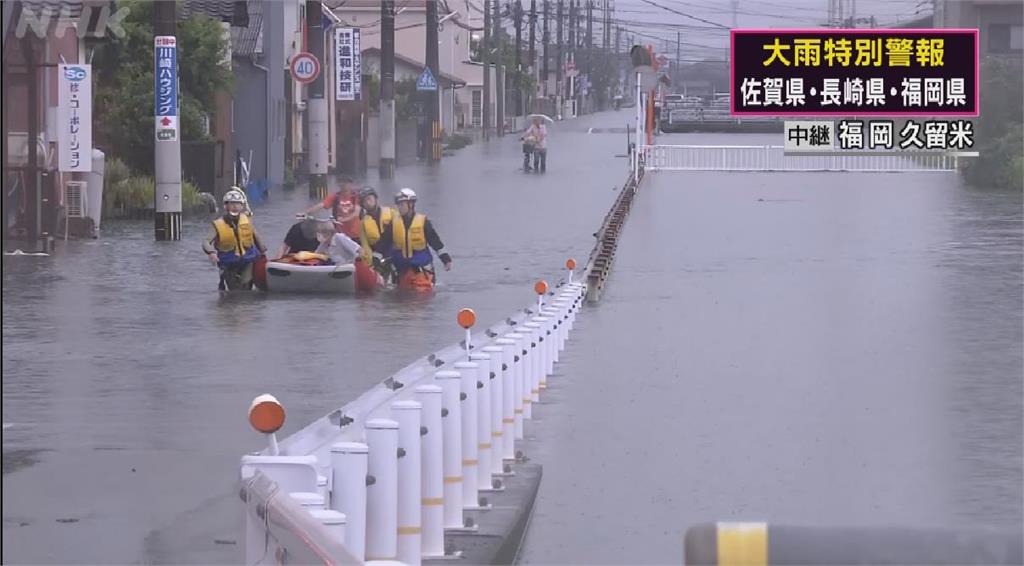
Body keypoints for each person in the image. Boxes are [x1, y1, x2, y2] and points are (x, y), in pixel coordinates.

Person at [377, 188, 452, 290]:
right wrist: (375, 261)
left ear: (411, 204)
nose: (399, 207)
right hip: (401, 272)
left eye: (402, 204)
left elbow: (435, 242)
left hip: (422, 272)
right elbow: (382, 243)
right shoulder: (393, 224)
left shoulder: (423, 222)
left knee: (420, 299)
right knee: (401, 299)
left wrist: (446, 260)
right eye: (398, 205)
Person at [203, 189, 268, 290]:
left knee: (246, 289)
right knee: (234, 292)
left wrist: (263, 252)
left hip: (248, 260)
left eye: (238, 203)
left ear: (242, 206)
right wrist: (211, 252)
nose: (235, 206)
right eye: (232, 203)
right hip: (229, 263)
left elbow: (255, 235)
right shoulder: (218, 224)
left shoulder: (246, 220)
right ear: (226, 206)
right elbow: (206, 241)